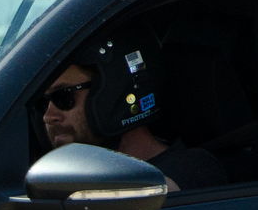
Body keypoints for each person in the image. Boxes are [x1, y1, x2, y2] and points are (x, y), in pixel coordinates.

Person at [38, 31, 226, 191]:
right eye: (43, 103)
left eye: (63, 97)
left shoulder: (189, 170)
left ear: (114, 92)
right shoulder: (66, 174)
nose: (48, 116)